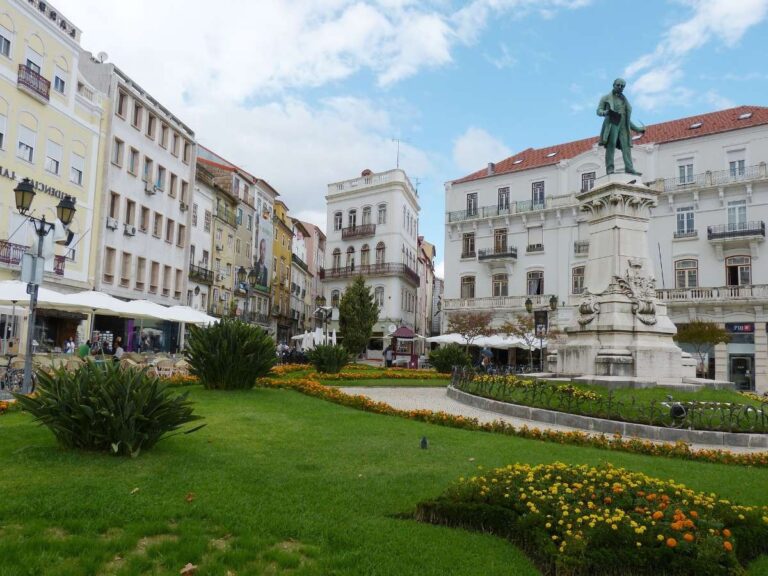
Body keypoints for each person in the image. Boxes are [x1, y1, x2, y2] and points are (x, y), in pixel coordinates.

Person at [596, 78, 646, 175]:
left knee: (626, 147)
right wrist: (606, 112)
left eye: (622, 86)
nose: (620, 87)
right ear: (613, 85)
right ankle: (610, 169)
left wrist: (638, 129)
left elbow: (626, 120)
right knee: (611, 146)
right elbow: (598, 111)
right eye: (618, 85)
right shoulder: (605, 98)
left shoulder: (624, 100)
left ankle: (629, 168)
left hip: (623, 126)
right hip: (612, 124)